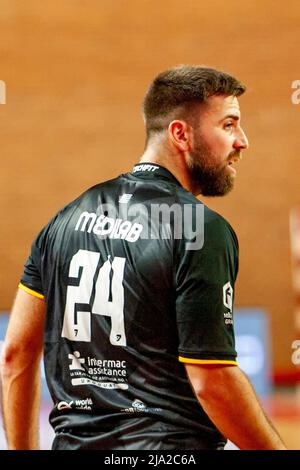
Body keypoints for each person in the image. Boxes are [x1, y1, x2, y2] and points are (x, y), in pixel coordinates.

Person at [1, 65, 286, 450]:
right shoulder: (199, 229)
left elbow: (15, 356)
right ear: (181, 134)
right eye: (229, 125)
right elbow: (213, 382)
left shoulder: (64, 219)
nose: (243, 141)